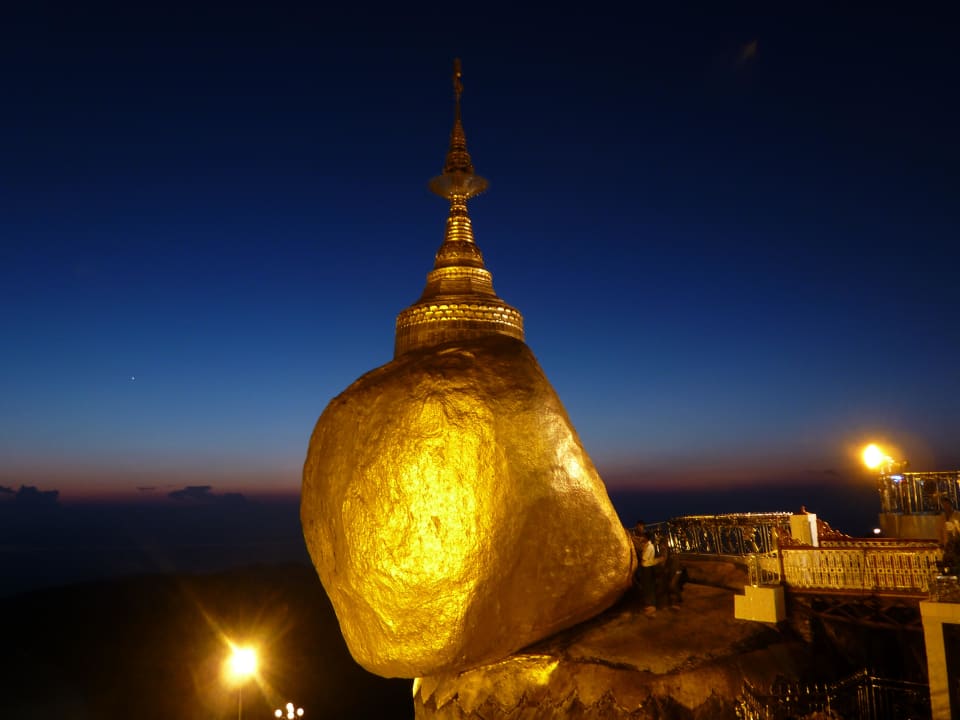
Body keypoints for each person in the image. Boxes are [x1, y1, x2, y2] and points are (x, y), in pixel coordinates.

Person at [639, 532, 660, 617]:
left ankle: (652, 606)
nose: (642, 538)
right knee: (647, 586)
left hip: (647, 568)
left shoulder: (649, 547)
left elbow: (644, 558)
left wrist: (641, 554)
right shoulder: (647, 545)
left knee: (649, 586)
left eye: (643, 537)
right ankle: (649, 605)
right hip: (647, 567)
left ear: (646, 538)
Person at [941, 498, 960, 573]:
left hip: (957, 545)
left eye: (947, 505)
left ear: (951, 505)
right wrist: (941, 542)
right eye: (944, 505)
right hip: (947, 545)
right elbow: (940, 530)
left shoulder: (957, 515)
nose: (946, 507)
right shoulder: (942, 517)